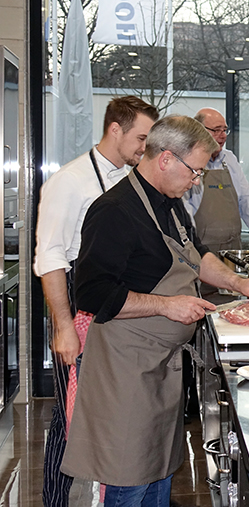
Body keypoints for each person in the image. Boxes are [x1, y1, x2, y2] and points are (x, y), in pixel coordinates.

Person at [61, 115, 249, 505]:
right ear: (165, 159)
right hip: (125, 368)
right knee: (129, 478)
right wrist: (167, 305)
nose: (197, 180)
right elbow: (93, 295)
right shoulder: (114, 210)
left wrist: (238, 282)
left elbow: (197, 256)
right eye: (194, 170)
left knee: (159, 471)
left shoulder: (173, 204)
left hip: (162, 367)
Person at [34, 95, 159, 507]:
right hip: (77, 298)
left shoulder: (127, 178)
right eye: (141, 137)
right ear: (114, 129)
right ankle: (55, 500)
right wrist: (64, 327)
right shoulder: (70, 181)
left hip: (112, 304)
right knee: (71, 419)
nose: (145, 146)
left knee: (105, 416)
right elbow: (50, 258)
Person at [184, 108, 249, 266]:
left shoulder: (230, 159)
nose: (222, 136)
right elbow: (185, 214)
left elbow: (247, 201)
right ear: (197, 131)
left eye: (224, 130)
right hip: (200, 254)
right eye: (216, 130)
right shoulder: (187, 163)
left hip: (233, 253)